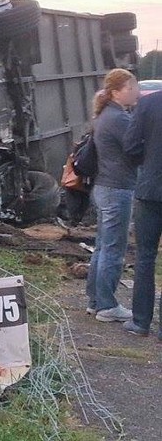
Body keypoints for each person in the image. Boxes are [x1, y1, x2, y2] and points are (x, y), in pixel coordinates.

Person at [86, 69, 140, 322]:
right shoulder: (119, 119)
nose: (136, 92)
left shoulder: (104, 116)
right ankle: (107, 306)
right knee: (113, 249)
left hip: (105, 187)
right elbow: (137, 149)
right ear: (117, 92)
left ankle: (95, 300)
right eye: (132, 88)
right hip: (117, 188)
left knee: (102, 247)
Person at [122, 85, 162, 338]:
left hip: (151, 189)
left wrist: (148, 162)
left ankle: (141, 322)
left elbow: (130, 146)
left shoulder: (149, 104)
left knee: (145, 257)